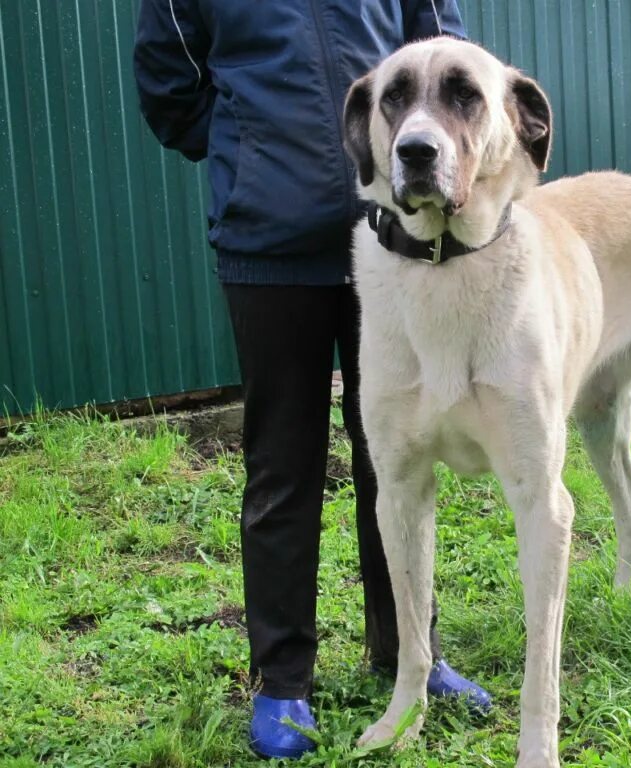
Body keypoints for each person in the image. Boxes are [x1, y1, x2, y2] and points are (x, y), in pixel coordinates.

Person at [133, 1, 490, 759]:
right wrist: (248, 149)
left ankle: (407, 655)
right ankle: (283, 679)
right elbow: (170, 88)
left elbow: (443, 51)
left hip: (394, 240)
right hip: (269, 243)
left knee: (393, 463)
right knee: (282, 465)